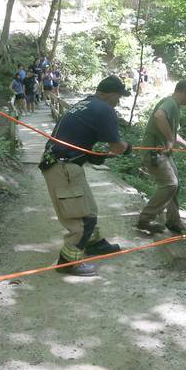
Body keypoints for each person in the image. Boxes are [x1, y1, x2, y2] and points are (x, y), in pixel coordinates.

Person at [39, 75, 133, 276]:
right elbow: (117, 147)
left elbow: (78, 138)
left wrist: (94, 155)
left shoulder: (83, 105)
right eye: (119, 97)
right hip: (64, 167)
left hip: (61, 164)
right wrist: (126, 148)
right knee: (82, 219)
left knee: (89, 210)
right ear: (109, 94)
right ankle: (68, 261)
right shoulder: (105, 109)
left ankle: (94, 243)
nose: (119, 101)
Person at [136, 80, 186, 235]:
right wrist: (170, 140)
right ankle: (145, 219)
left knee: (175, 185)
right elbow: (159, 116)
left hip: (163, 153)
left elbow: (172, 132)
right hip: (154, 152)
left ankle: (173, 221)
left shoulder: (175, 106)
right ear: (185, 92)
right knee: (170, 184)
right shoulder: (170, 103)